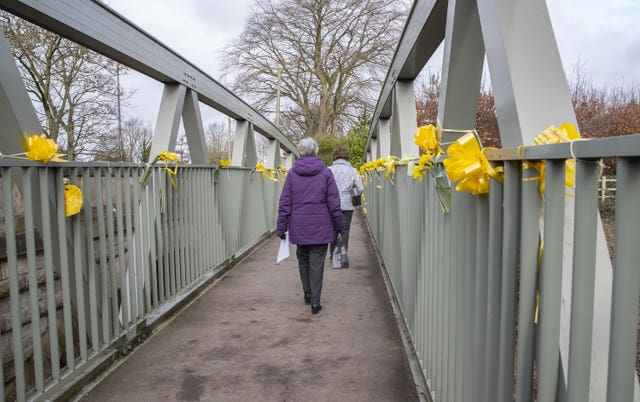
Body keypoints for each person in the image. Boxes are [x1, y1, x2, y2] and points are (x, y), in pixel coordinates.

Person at [276, 138, 345, 314]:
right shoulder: (325, 173)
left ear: (300, 152)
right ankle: (316, 302)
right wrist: (340, 225)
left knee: (303, 259)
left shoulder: (292, 174)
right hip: (321, 226)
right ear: (316, 152)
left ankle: (307, 293)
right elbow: (334, 203)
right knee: (317, 262)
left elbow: (285, 203)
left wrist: (281, 226)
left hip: (299, 226)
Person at [328, 146, 364, 264]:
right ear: (347, 157)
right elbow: (360, 189)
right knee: (345, 229)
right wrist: (354, 193)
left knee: (333, 229)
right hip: (347, 203)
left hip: (332, 203)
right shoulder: (353, 170)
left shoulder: (328, 170)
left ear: (335, 156)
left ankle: (333, 255)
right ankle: (343, 255)